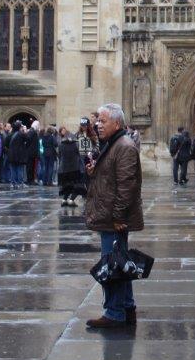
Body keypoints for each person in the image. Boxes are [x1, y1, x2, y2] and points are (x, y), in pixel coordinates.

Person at [85, 103, 144, 330]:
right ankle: (126, 307)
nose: (97, 125)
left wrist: (118, 217)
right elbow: (112, 177)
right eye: (97, 120)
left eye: (102, 121)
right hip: (109, 215)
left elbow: (127, 186)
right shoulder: (114, 144)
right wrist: (94, 170)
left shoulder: (124, 146)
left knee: (111, 266)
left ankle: (114, 312)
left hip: (114, 217)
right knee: (120, 263)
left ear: (116, 123)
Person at [59, 126, 84, 205]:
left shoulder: (61, 144)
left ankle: (64, 200)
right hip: (75, 168)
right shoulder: (76, 144)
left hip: (64, 169)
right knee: (79, 185)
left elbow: (59, 155)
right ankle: (71, 199)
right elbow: (80, 154)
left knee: (67, 185)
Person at [6, 121, 29, 188]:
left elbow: (6, 144)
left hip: (11, 154)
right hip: (20, 155)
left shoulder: (9, 135)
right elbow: (28, 139)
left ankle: (13, 183)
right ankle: (20, 182)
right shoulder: (22, 134)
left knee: (13, 169)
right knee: (20, 169)